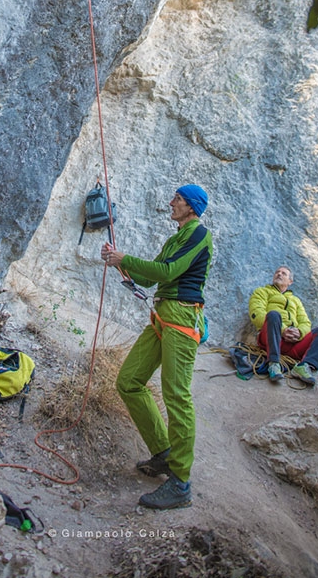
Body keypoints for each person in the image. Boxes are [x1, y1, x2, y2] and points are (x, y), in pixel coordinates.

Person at [101, 184, 213, 511]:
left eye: (177, 199)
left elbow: (169, 272)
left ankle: (180, 481)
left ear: (191, 207)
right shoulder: (176, 238)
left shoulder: (198, 234)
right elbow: (152, 280)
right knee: (129, 381)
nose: (171, 202)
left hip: (181, 317)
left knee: (176, 394)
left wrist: (125, 258)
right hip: (164, 316)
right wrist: (118, 263)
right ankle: (164, 452)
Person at [248, 266, 318, 384]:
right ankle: (273, 363)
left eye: (284, 273)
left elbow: (305, 322)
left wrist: (299, 333)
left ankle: (305, 365)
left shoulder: (296, 301)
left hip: (294, 344)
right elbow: (257, 313)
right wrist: (283, 330)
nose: (279, 274)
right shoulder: (262, 291)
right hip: (271, 338)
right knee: (273, 315)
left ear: (290, 282)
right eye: (277, 272)